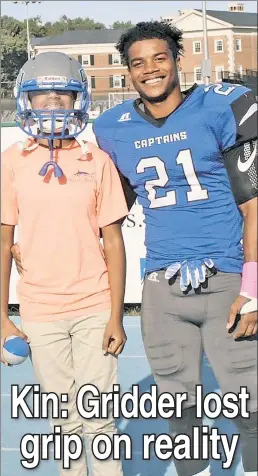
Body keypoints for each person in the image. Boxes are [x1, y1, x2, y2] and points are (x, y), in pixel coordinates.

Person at [10, 22, 257, 476]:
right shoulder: (111, 129)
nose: (150, 69)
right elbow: (104, 212)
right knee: (178, 407)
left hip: (224, 274)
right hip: (161, 280)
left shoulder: (219, 108)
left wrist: (254, 286)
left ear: (177, 59)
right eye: (138, 62)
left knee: (248, 402)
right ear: (127, 72)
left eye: (159, 58)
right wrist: (42, 238)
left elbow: (254, 205)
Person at [1, 51, 128, 476]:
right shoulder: (12, 160)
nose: (52, 105)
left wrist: (116, 316)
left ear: (79, 100)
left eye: (62, 95)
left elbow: (113, 242)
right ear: (26, 101)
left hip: (94, 305)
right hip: (40, 310)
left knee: (100, 420)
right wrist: (2, 317)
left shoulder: (97, 160)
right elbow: (4, 243)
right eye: (42, 97)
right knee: (64, 421)